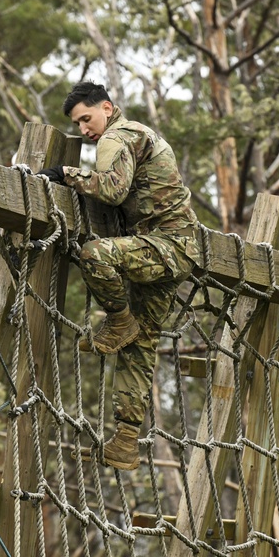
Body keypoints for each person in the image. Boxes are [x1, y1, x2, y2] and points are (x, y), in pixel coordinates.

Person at [37, 81, 200, 470]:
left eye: (86, 118)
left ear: (107, 108)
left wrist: (63, 172)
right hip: (173, 249)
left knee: (94, 255)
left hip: (166, 245)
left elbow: (110, 190)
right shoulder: (140, 133)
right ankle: (126, 441)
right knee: (140, 347)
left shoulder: (118, 137)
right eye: (77, 125)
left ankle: (120, 320)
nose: (84, 130)